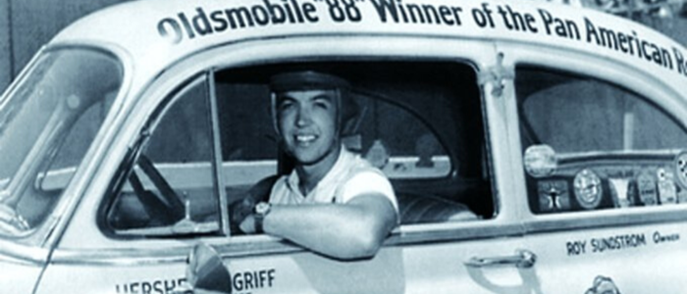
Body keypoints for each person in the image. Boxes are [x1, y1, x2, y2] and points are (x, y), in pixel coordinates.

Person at [233, 70, 399, 260]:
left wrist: (261, 218)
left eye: (319, 105)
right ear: (276, 120)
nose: (302, 120)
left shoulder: (364, 179)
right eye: (289, 106)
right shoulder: (281, 189)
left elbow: (364, 234)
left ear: (340, 117)